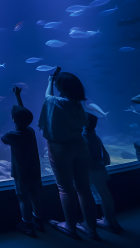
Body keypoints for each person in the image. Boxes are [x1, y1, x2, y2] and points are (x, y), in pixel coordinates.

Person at [38, 71, 100, 240]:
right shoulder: (77, 104)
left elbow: (47, 95)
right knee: (84, 189)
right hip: (80, 146)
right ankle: (91, 229)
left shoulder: (53, 102)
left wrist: (50, 80)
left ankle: (70, 227)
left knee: (65, 188)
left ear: (61, 87)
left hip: (60, 148)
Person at [1, 86, 44, 238]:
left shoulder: (11, 135)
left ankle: (27, 224)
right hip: (35, 172)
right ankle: (38, 221)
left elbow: (4, 139)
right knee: (34, 197)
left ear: (13, 120)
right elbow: (23, 116)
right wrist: (18, 96)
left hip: (21, 174)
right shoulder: (30, 130)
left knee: (23, 199)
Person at [82, 113, 122, 234]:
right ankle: (111, 220)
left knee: (99, 195)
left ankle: (108, 222)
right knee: (105, 194)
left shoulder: (83, 137)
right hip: (100, 168)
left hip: (92, 171)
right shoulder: (95, 135)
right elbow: (104, 155)